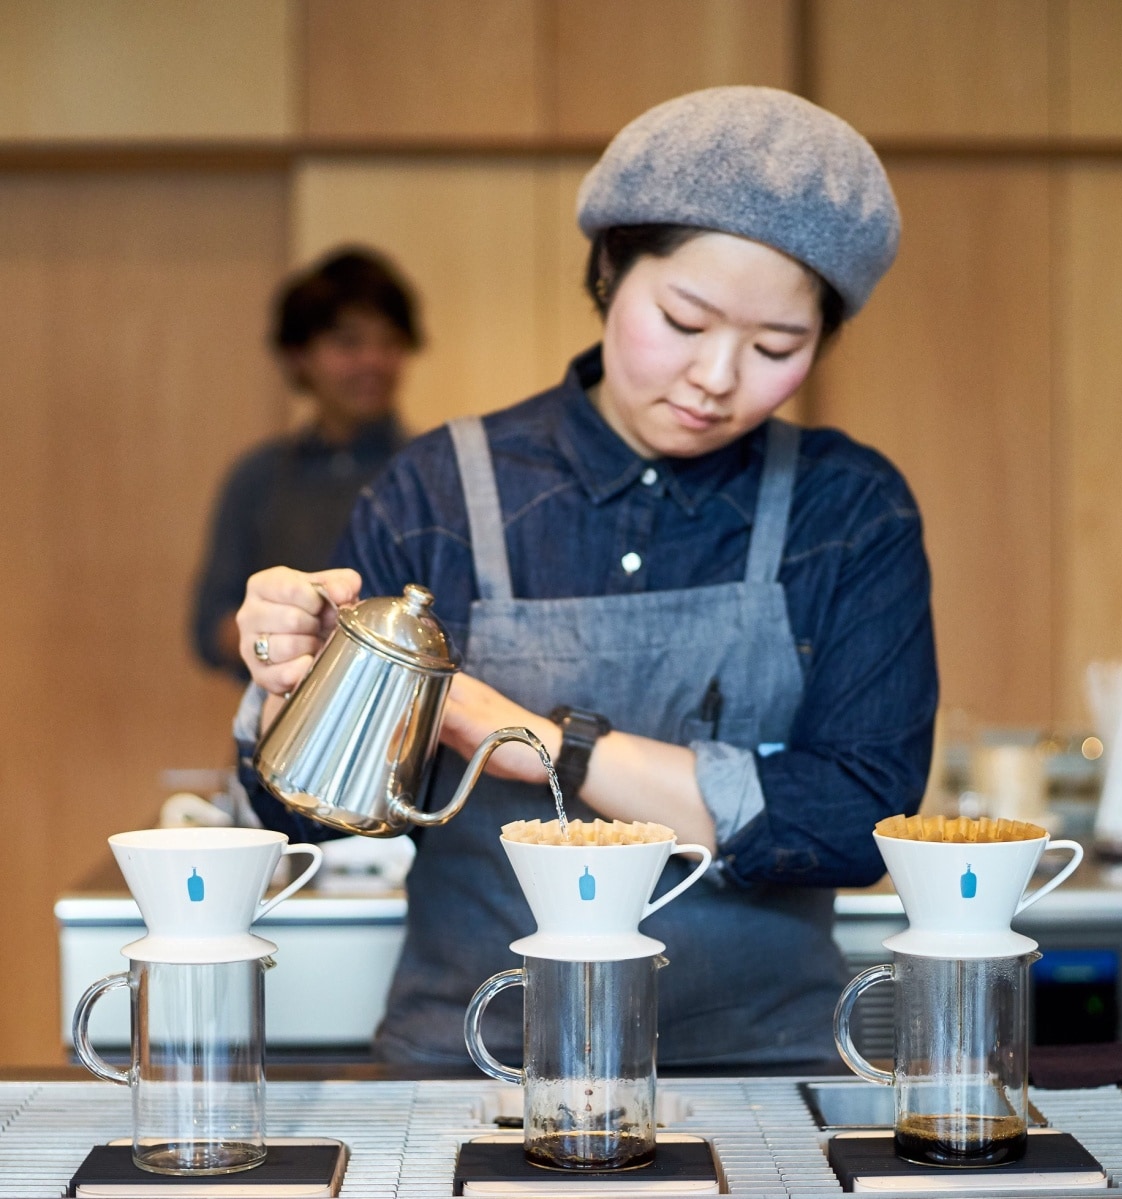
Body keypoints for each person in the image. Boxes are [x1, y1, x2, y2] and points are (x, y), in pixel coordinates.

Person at [233, 87, 938, 1075]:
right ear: (609, 269)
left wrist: (543, 742)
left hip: (764, 1073)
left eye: (778, 348)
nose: (717, 378)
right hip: (473, 1067)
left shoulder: (847, 509)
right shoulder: (440, 489)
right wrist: (286, 686)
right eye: (684, 320)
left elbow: (855, 821)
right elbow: (304, 811)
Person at [192, 247, 424, 678]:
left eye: (389, 340)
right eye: (349, 342)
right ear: (300, 356)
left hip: (404, 730)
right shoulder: (258, 477)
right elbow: (210, 626)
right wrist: (285, 638)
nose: (372, 360)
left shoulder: (433, 471)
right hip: (278, 719)